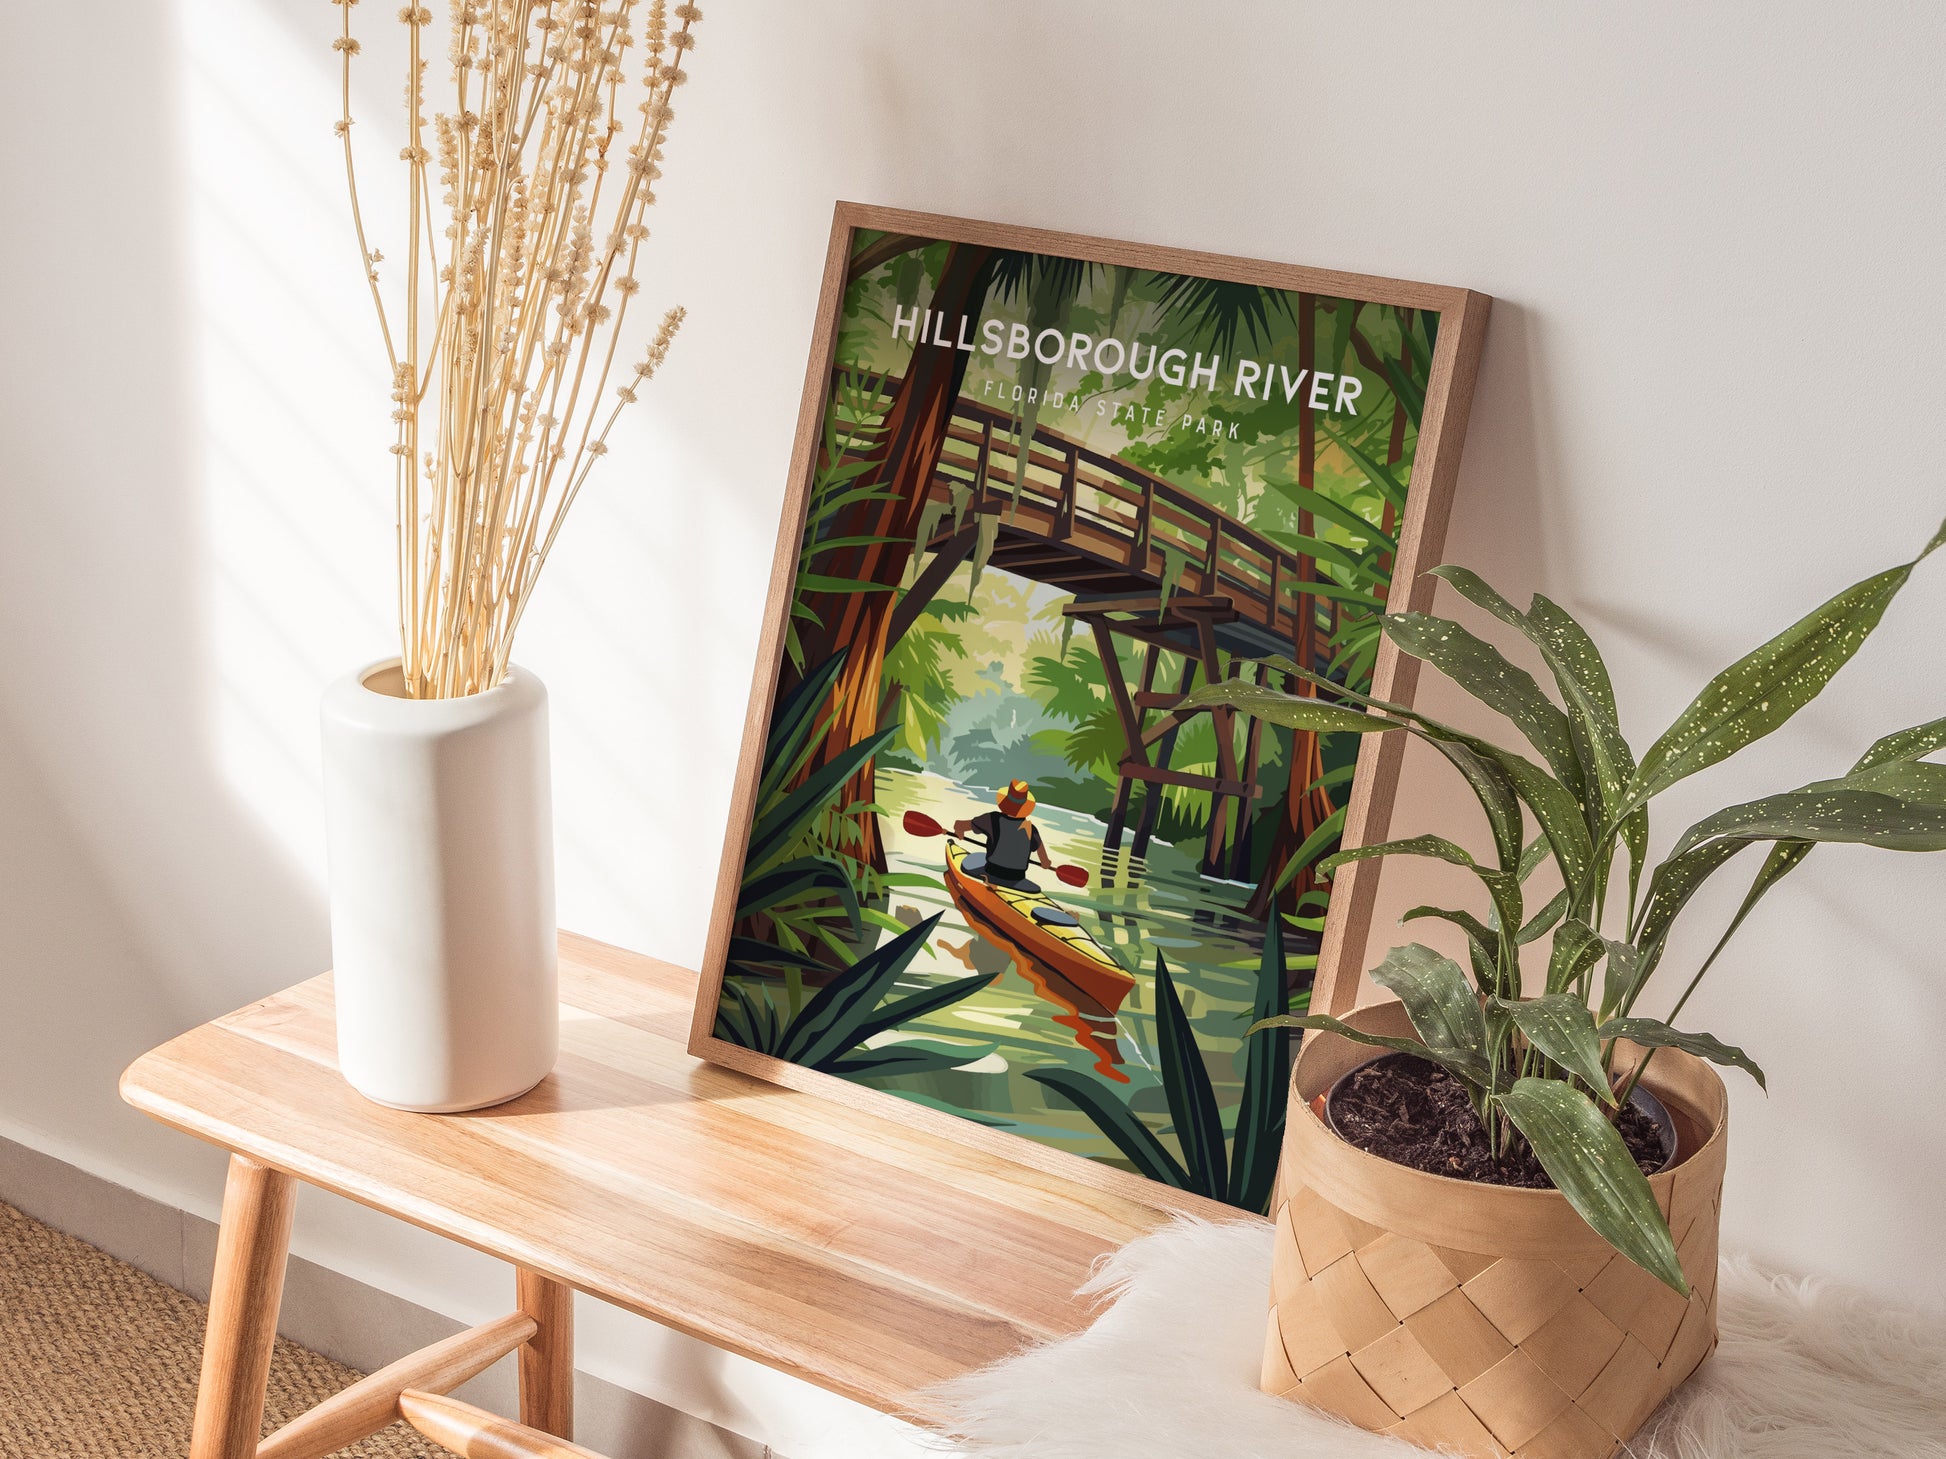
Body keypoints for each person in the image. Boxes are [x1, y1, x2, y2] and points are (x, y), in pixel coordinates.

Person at [954, 779, 1058, 892]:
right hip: (1017, 879)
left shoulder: (992, 819)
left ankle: (991, 884)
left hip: (991, 872)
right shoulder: (1031, 829)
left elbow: (959, 825)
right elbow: (1045, 862)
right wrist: (1046, 864)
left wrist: (959, 832)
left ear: (1005, 802)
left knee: (973, 861)